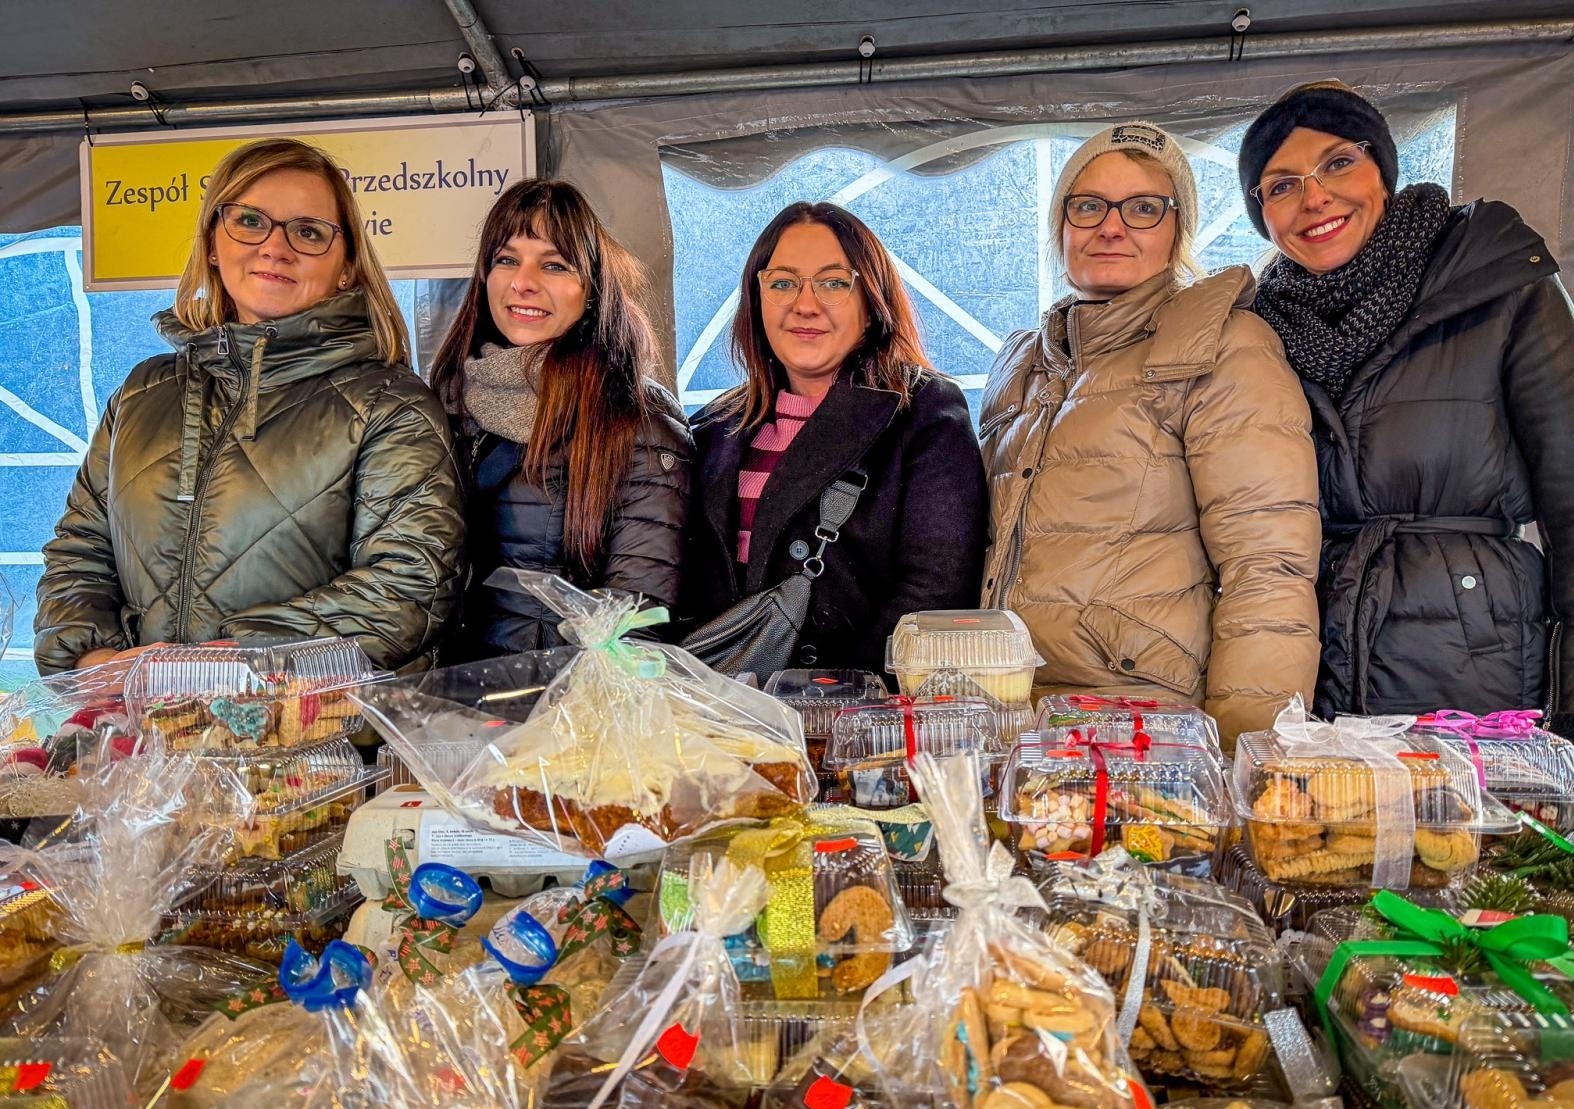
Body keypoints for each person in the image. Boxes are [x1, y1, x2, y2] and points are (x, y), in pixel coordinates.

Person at [1240, 81, 1574, 753]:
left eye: (1337, 162)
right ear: (1262, 214)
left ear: (1384, 166)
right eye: (1281, 185)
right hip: (1308, 669)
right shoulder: (1256, 329)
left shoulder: (1494, 284)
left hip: (1475, 672)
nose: (1314, 197)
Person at [34, 137, 465, 674]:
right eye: (250, 221)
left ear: (348, 265)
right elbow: (79, 552)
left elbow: (408, 589)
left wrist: (222, 666)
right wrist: (96, 663)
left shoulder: (390, 405)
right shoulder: (142, 393)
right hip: (144, 739)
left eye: (308, 232)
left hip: (317, 745)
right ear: (213, 244)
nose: (274, 247)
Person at [982, 122, 1320, 745]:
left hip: (1141, 727)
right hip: (1004, 716)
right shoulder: (1022, 362)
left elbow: (1267, 567)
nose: (1111, 227)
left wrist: (1249, 751)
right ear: (1060, 227)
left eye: (1143, 208)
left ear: (1176, 231)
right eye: (1088, 206)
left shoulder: (1224, 345)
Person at [683, 202, 987, 674]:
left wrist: (834, 694)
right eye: (782, 283)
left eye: (833, 283)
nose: (805, 304)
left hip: (855, 715)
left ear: (871, 304)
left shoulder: (923, 413)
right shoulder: (711, 428)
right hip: (724, 712)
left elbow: (936, 589)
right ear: (756, 300)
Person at [430, 180, 691, 660]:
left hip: (562, 710)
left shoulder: (637, 423)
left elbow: (638, 616)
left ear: (591, 289)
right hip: (450, 700)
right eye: (506, 260)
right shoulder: (448, 402)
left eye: (554, 265)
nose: (523, 282)